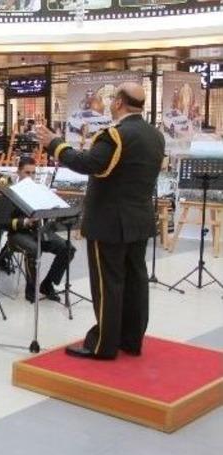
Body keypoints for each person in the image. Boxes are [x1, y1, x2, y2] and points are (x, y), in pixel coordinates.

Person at [37, 82, 163, 360]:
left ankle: (104, 345)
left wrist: (55, 144)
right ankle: (131, 340)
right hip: (139, 219)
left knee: (109, 284)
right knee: (135, 281)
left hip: (109, 221)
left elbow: (89, 164)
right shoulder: (155, 135)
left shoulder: (115, 135)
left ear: (118, 102)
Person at [6, 156, 75, 303]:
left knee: (68, 248)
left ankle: (47, 284)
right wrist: (24, 222)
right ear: (19, 172)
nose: (30, 177)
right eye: (27, 173)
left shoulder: (39, 190)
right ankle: (31, 290)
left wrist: (53, 211)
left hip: (40, 231)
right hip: (18, 234)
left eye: (33, 173)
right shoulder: (10, 192)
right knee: (33, 248)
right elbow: (4, 222)